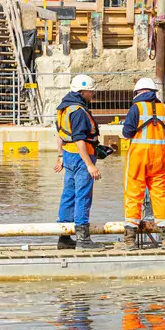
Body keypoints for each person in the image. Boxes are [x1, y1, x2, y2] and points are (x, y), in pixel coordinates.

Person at [120, 76, 165, 249]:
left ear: (138, 92)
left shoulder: (136, 108)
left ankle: (130, 240)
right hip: (159, 158)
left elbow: (127, 133)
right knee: (160, 195)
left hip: (138, 157)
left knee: (133, 194)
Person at [55, 74, 102, 250]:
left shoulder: (64, 108)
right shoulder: (79, 111)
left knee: (68, 195)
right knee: (83, 195)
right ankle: (83, 239)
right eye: (91, 92)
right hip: (81, 158)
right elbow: (80, 139)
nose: (92, 95)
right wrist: (90, 164)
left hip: (68, 156)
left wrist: (61, 157)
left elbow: (61, 135)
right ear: (83, 91)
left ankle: (64, 237)